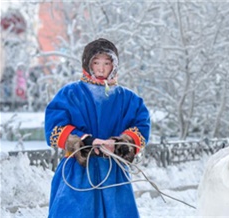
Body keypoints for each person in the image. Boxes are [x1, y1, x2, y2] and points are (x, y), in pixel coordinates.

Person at [44, 38, 151, 218]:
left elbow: (141, 125)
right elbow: (54, 126)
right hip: (77, 171)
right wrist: (85, 140)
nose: (101, 68)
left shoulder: (128, 98)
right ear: (88, 63)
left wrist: (121, 142)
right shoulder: (70, 94)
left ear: (114, 65)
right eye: (96, 62)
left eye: (107, 63)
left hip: (113, 172)